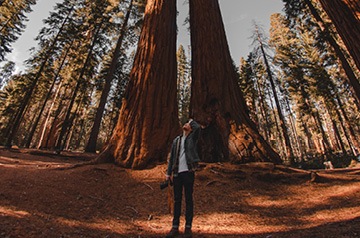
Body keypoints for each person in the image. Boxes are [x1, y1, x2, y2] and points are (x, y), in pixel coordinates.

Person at [165, 119, 201, 238]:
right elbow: (172, 158)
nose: (187, 125)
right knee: (177, 200)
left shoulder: (192, 138)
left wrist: (192, 121)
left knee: (189, 199)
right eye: (186, 123)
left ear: (191, 129)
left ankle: (188, 228)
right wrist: (168, 173)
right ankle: (175, 227)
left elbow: (198, 128)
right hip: (177, 173)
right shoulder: (177, 140)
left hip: (188, 172)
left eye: (189, 125)